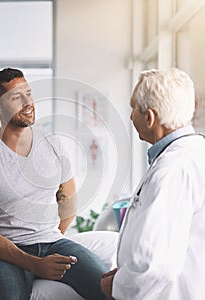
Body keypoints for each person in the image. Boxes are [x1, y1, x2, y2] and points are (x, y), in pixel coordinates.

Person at [0, 67, 109, 300]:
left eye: (28, 94)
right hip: (3, 252)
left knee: (109, 288)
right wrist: (37, 265)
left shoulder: (53, 145)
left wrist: (52, 236)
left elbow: (68, 201)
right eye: (16, 97)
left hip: (52, 242)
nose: (28, 102)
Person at [100, 67, 205, 299]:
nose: (130, 117)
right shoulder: (194, 153)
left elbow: (154, 264)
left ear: (150, 117)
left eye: (132, 109)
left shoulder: (172, 169)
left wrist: (117, 287)